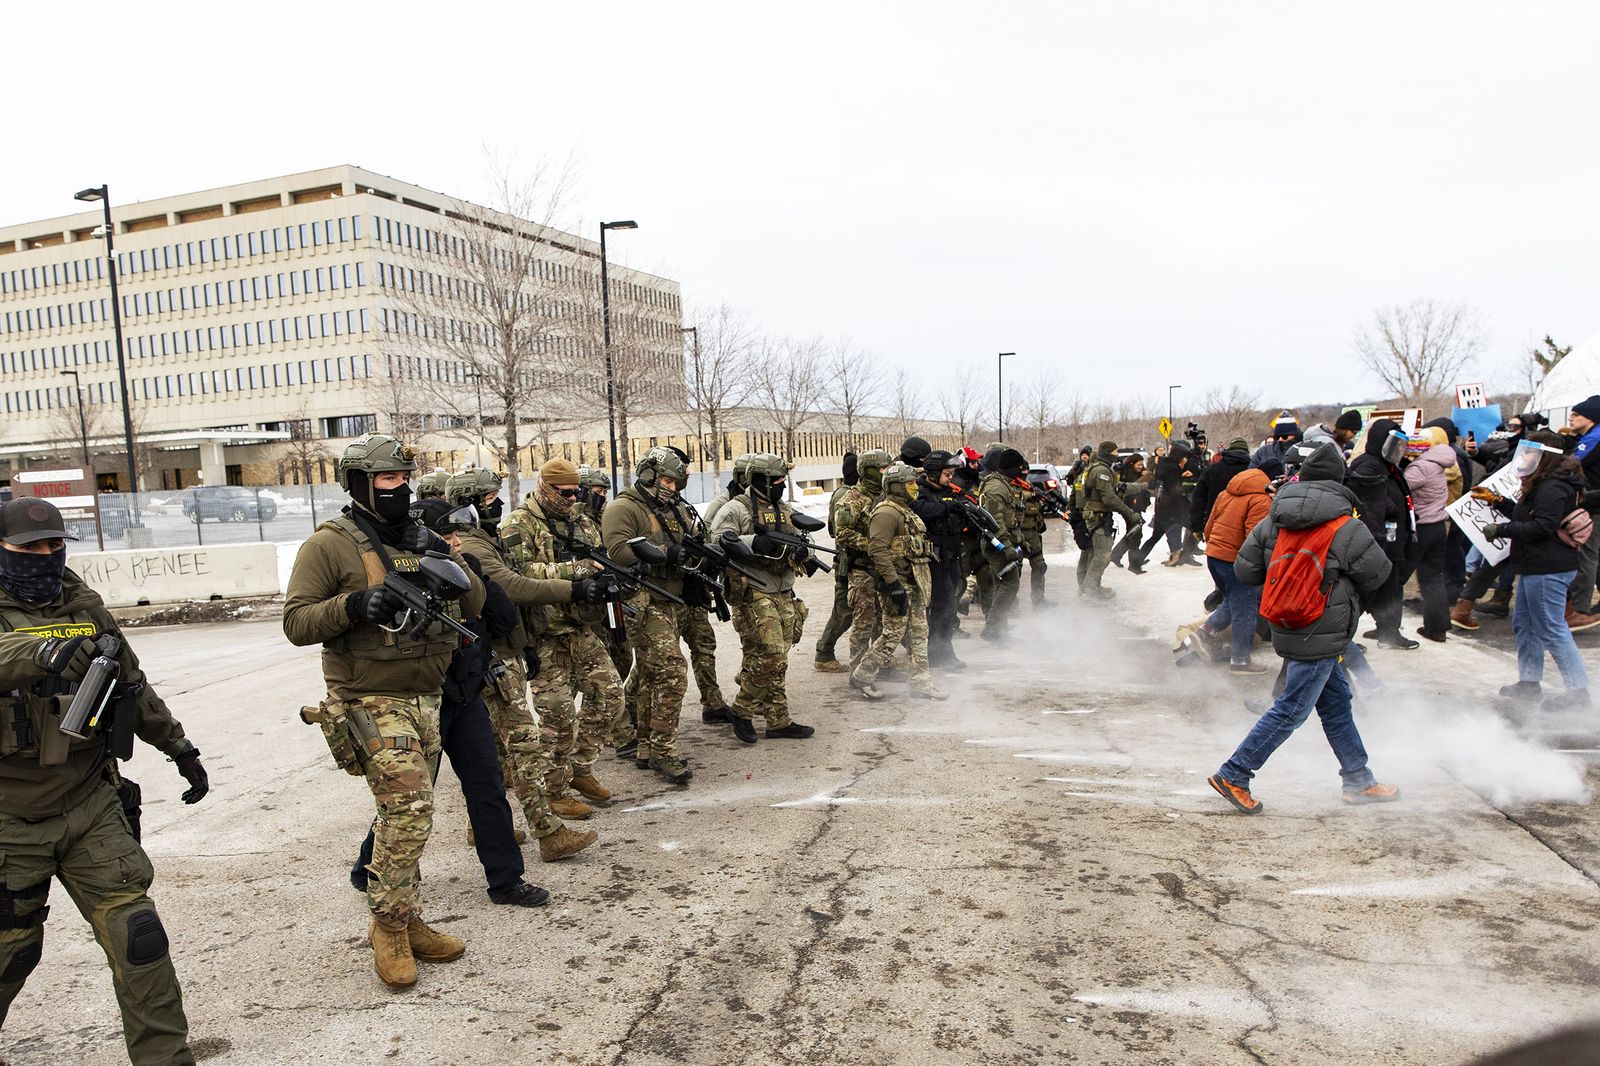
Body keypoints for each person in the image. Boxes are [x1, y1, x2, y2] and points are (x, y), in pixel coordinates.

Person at [0, 498, 208, 1063]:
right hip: (10, 819)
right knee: (12, 951)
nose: (45, 556)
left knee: (139, 936)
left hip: (90, 802)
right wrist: (43, 652)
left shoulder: (85, 606)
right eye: (29, 547)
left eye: (54, 545)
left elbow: (132, 685)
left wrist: (179, 748)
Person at [283, 433, 482, 988]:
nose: (400, 488)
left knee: (409, 815)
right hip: (369, 695)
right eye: (388, 479)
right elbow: (296, 621)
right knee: (409, 810)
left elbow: (474, 604)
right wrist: (355, 605)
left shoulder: (420, 536)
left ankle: (406, 915)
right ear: (360, 484)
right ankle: (389, 928)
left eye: (403, 479)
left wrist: (447, 560)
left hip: (428, 694)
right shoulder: (329, 545)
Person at [351, 499, 551, 909]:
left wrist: (467, 570)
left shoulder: (462, 566)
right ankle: (367, 867)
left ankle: (506, 879)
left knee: (487, 785)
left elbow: (499, 616)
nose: (457, 541)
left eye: (458, 534)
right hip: (425, 698)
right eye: (446, 535)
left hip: (466, 692)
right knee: (410, 796)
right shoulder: (403, 575)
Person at [1207, 442, 1399, 814]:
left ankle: (1359, 779)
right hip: (1323, 626)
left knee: (1337, 704)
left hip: (1286, 621)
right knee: (1292, 708)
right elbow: (1379, 573)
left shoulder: (1274, 518)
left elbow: (1245, 570)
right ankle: (1235, 773)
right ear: (1339, 482)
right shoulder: (1347, 526)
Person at [454, 465, 605, 858]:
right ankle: (549, 833)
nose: (496, 505)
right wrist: (573, 588)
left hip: (502, 651)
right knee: (524, 747)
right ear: (466, 504)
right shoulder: (471, 546)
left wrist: (524, 644)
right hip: (491, 658)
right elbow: (514, 586)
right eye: (488, 499)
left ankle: (481, 827)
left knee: (496, 751)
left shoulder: (484, 539)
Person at [499, 459, 628, 801]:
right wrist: (577, 571)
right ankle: (554, 791)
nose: (572, 499)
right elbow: (519, 575)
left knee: (610, 697)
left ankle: (580, 767)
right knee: (558, 717)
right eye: (565, 493)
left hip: (580, 628)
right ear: (545, 487)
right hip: (543, 634)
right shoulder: (518, 524)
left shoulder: (581, 521)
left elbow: (598, 559)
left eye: (576, 493)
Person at [600, 447, 696, 784]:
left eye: (675, 482)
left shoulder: (673, 508)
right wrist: (667, 554)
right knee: (672, 672)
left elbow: (692, 540)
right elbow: (619, 552)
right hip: (642, 602)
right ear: (648, 475)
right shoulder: (623, 508)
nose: (671, 487)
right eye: (667, 481)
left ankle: (645, 745)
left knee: (651, 674)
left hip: (671, 599)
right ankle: (662, 750)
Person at [1479, 432, 1591, 711]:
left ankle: (1578, 692)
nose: (1524, 456)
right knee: (1526, 624)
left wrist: (1501, 529)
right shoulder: (1542, 482)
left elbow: (1541, 527)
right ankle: (1529, 682)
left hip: (1548, 566)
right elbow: (1527, 516)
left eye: (1529, 451)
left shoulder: (1553, 486)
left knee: (1552, 628)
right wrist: (1497, 501)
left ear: (1544, 455)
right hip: (1536, 564)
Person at [709, 453, 816, 741]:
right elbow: (716, 540)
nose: (782, 485)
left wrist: (805, 551)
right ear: (761, 481)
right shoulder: (736, 509)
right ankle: (742, 709)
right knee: (772, 653)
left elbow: (805, 538)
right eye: (777, 480)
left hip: (783, 589)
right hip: (753, 589)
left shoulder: (785, 509)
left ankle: (778, 720)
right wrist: (754, 542)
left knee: (779, 658)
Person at [850, 463, 947, 701]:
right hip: (897, 584)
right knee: (892, 634)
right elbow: (878, 550)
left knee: (919, 634)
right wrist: (893, 585)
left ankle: (921, 684)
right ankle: (862, 676)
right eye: (910, 483)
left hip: (914, 583)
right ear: (896, 486)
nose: (915, 487)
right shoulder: (886, 513)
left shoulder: (905, 511)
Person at [1346, 418, 1419, 649]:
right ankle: (1341, 639)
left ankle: (1388, 632)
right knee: (1365, 592)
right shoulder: (1368, 466)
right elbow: (1368, 507)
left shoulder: (1386, 466)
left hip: (1390, 540)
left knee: (1388, 590)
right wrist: (1390, 513)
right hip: (1377, 541)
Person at [1193, 466, 1273, 672]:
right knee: (1245, 610)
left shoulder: (1225, 494)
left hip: (1215, 557)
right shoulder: (1261, 500)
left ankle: (1205, 632)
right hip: (1236, 561)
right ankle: (1240, 660)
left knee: (1235, 600)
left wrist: (1214, 547)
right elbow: (1254, 538)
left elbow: (1209, 526)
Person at [835, 449, 891, 670]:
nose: (885, 472)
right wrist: (871, 546)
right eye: (882, 468)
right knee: (863, 621)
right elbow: (842, 534)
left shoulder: (885, 496)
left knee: (883, 618)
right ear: (868, 471)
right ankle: (857, 667)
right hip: (862, 569)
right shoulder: (852, 499)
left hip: (884, 567)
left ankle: (878, 664)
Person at [1404, 427, 1460, 642]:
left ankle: (1388, 626)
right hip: (1437, 525)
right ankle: (1437, 628)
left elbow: (1402, 487)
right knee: (1433, 577)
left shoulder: (1421, 467)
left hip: (1421, 527)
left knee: (1400, 574)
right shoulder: (1439, 464)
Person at [912, 450, 967, 669]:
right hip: (932, 561)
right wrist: (947, 506)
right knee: (940, 608)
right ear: (934, 473)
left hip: (950, 558)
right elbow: (921, 509)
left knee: (949, 606)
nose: (950, 478)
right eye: (946, 474)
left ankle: (942, 650)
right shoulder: (919, 491)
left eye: (952, 474)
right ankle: (938, 653)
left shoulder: (949, 492)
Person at [1075, 441, 1142, 598]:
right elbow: (1109, 498)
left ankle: (1091, 587)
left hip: (1098, 516)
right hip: (1097, 517)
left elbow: (1117, 488)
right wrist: (1130, 514)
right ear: (1107, 453)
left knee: (1094, 554)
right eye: (1115, 452)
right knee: (1102, 556)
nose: (1117, 455)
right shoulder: (1101, 471)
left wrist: (1143, 486)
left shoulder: (1102, 469)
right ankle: (1089, 590)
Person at [813, 452, 857, 673]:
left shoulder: (845, 492)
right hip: (847, 563)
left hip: (851, 561)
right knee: (843, 611)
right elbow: (836, 531)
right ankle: (824, 653)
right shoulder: (845, 495)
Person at [977, 448, 1029, 637]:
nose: (1021, 471)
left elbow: (1011, 519)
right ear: (1010, 467)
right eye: (1018, 467)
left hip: (1005, 542)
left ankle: (998, 628)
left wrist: (1021, 540)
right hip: (997, 545)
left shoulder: (1005, 485)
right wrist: (1006, 546)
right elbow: (995, 521)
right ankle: (993, 629)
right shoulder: (996, 488)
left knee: (1001, 585)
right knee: (1010, 584)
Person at [1564, 395, 1600, 617]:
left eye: (1576, 415)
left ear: (1591, 418)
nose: (1571, 418)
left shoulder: (1594, 438)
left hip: (1593, 506)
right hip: (1593, 503)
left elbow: (1571, 465)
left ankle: (1578, 610)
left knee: (1586, 557)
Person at [1189, 436, 1252, 536]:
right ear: (1247, 452)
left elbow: (1198, 499)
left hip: (1215, 524)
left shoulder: (1211, 471)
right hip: (1245, 527)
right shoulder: (1253, 471)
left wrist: (1197, 527)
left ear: (1229, 450)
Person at [1108, 453, 1153, 571]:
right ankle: (1134, 563)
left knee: (1133, 532)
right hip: (1128, 507)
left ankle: (1117, 555)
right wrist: (1145, 478)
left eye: (1142, 464)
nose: (1141, 467)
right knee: (1135, 534)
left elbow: (1151, 478)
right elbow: (1132, 487)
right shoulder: (1125, 473)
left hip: (1136, 506)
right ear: (1132, 463)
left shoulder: (1141, 471)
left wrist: (1146, 474)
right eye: (1139, 464)